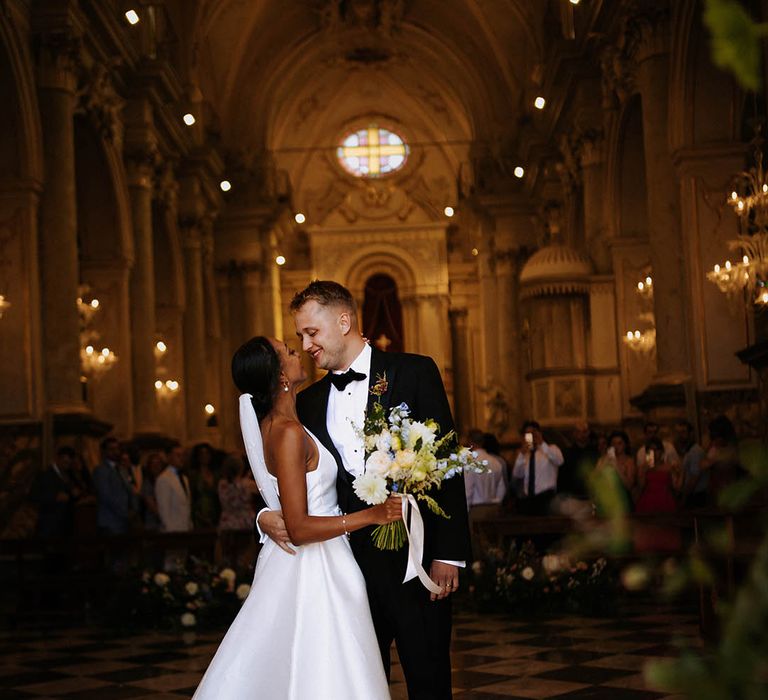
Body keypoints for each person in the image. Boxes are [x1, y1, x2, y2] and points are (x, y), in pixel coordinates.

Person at [257, 280, 471, 699]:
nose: (306, 344)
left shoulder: (413, 372)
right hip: (347, 570)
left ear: (344, 320)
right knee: (358, 684)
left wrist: (449, 553)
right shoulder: (310, 400)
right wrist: (264, 516)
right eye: (300, 336)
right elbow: (287, 480)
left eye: (311, 333)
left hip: (418, 561)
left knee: (429, 679)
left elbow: (445, 462)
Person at [193, 336, 401, 699]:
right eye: (288, 352)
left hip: (320, 559)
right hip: (314, 568)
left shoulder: (288, 424)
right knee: (324, 663)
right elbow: (300, 527)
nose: (298, 351)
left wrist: (263, 516)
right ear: (281, 377)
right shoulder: (287, 433)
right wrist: (372, 515)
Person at [634, 436, 683, 552]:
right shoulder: (643, 467)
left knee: (666, 535)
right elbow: (641, 487)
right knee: (648, 536)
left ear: (661, 451)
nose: (654, 453)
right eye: (650, 450)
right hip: (648, 501)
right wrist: (642, 472)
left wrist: (679, 473)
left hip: (665, 501)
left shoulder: (669, 466)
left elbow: (676, 487)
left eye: (656, 450)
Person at [513, 419, 563, 515]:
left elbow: (559, 461)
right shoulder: (525, 454)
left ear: (539, 433)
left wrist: (542, 443)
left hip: (546, 499)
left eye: (533, 433)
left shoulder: (552, 448)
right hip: (529, 499)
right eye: (527, 434)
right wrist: (522, 454)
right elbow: (517, 474)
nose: (531, 436)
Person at [92, 437, 138, 534]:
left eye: (117, 449)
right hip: (110, 520)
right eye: (111, 449)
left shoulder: (122, 469)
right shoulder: (101, 470)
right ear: (104, 451)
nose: (116, 452)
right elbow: (106, 496)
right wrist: (124, 512)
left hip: (125, 520)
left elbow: (130, 489)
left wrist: (134, 508)